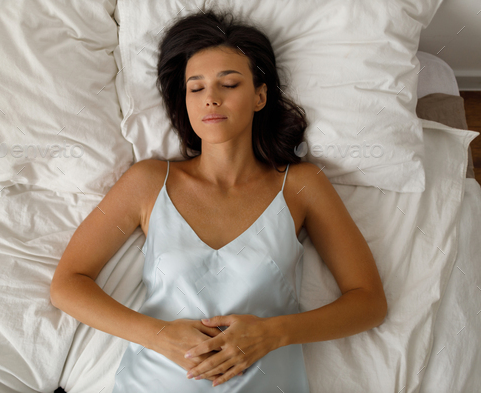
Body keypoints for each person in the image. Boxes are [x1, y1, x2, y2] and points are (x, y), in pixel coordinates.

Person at [50, 9, 387, 393]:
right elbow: (67, 285)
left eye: (228, 84)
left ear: (260, 96)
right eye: (196, 88)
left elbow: (369, 302)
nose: (210, 98)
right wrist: (159, 335)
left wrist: (273, 333)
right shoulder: (147, 182)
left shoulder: (300, 185)